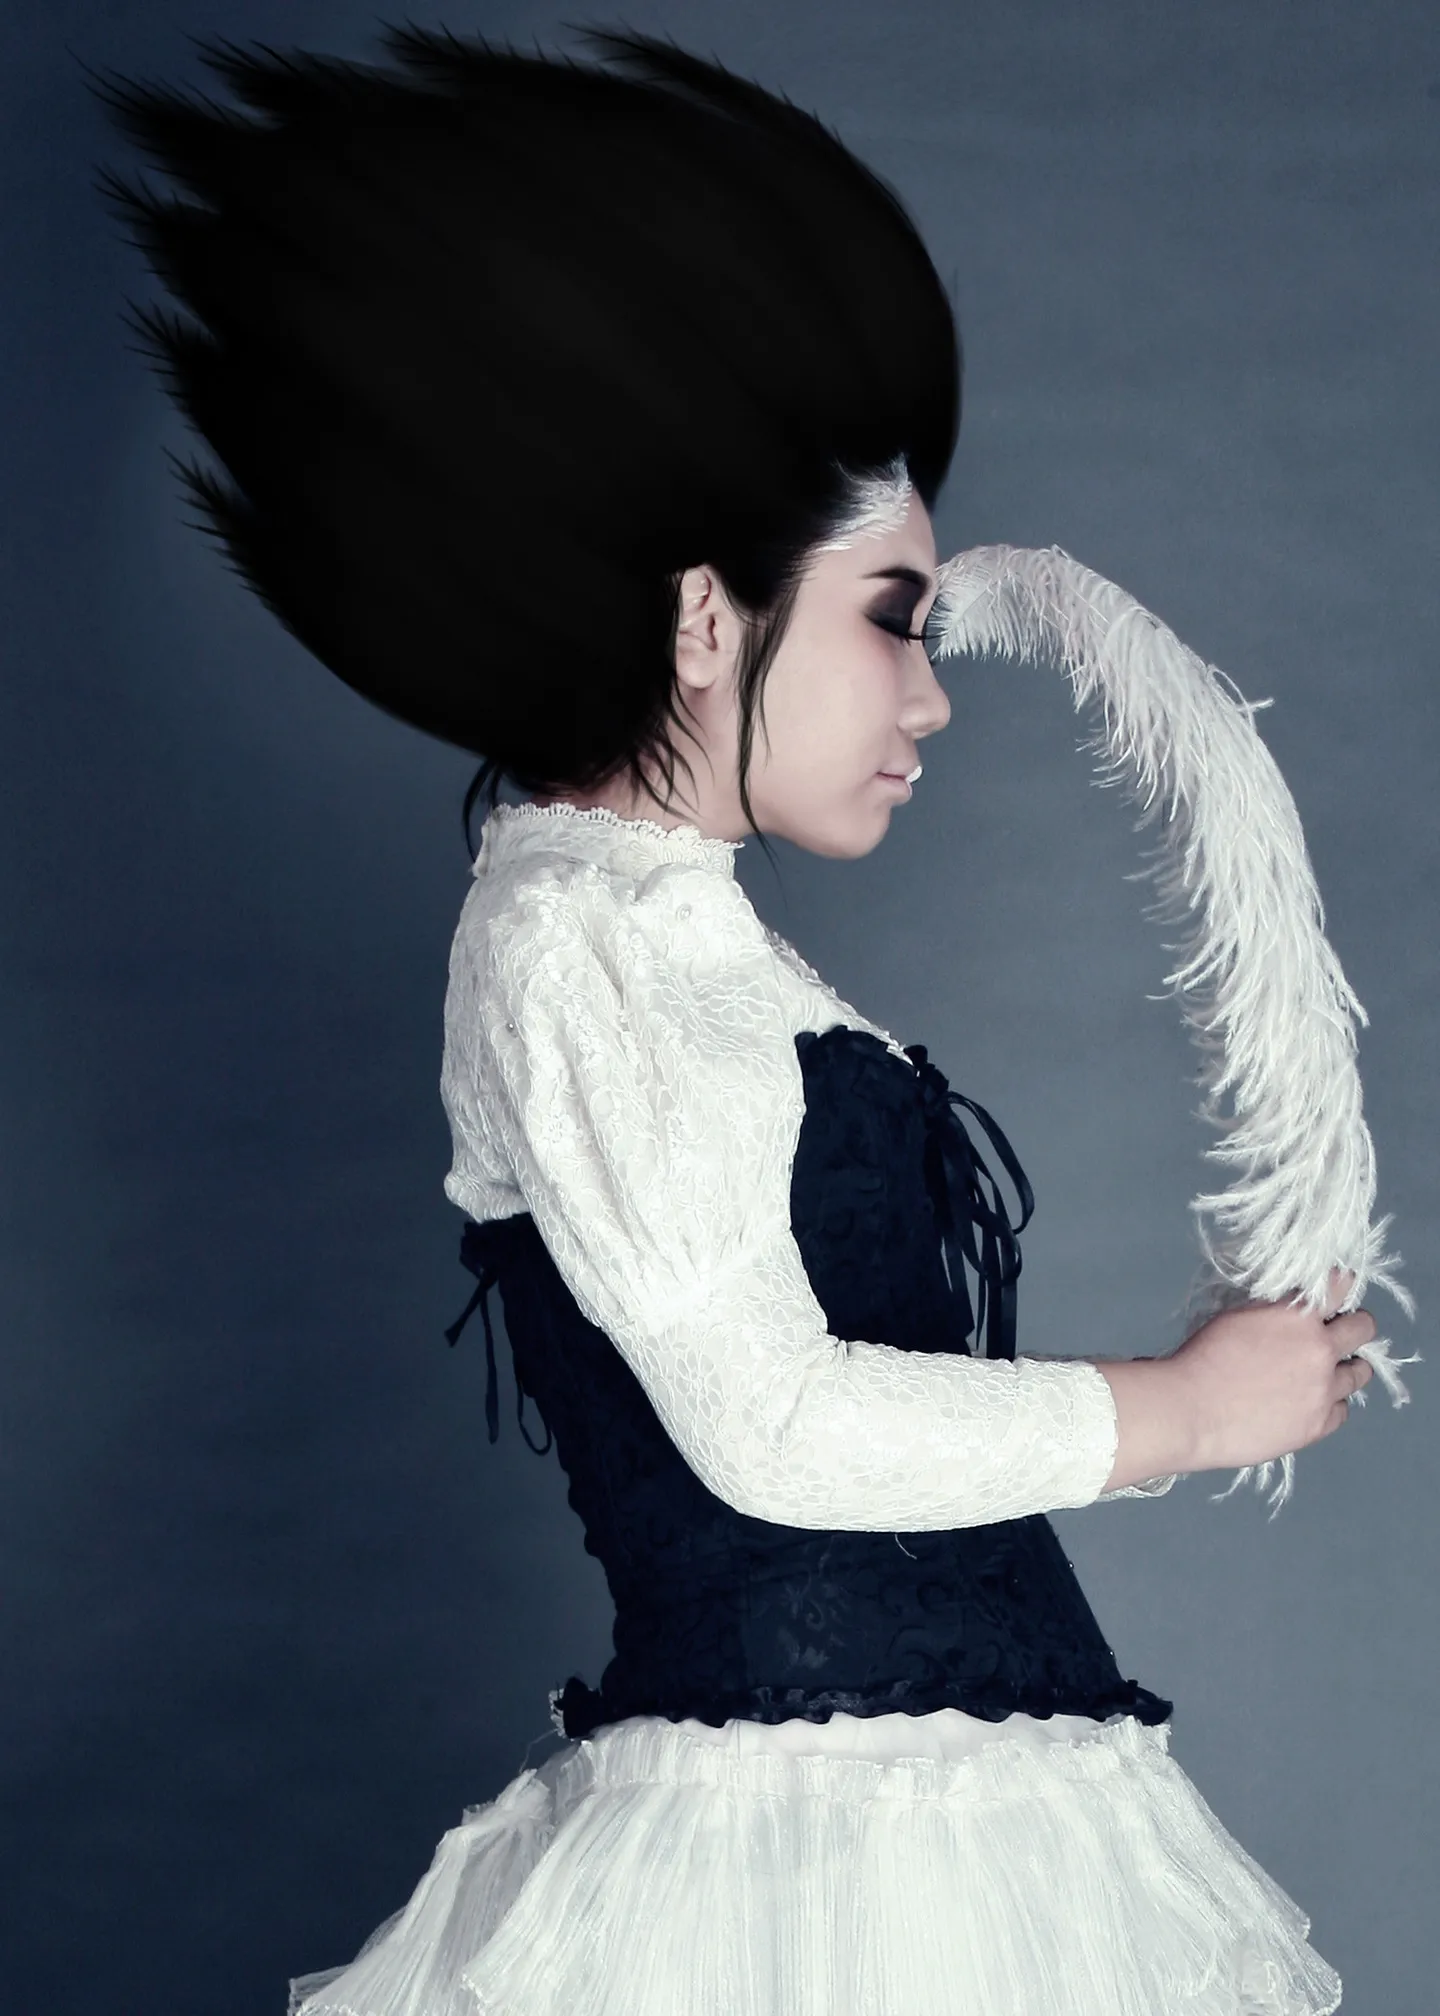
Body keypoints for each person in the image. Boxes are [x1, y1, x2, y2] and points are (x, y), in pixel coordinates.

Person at [93, 23, 1379, 2014]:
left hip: (940, 1826)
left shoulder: (676, 932)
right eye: (889, 617)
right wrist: (1189, 1411)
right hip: (805, 1864)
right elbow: (770, 1424)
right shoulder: (576, 939)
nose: (929, 694)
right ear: (708, 618)